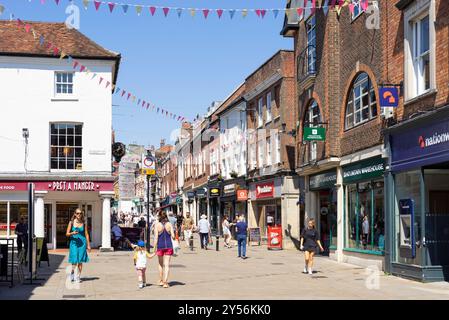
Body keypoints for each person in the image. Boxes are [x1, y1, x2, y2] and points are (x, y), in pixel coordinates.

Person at [66, 208, 91, 283]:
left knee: (80, 260)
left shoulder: (84, 223)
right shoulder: (71, 222)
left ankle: (78, 276)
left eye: (80, 213)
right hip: (74, 243)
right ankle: (72, 274)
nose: (79, 215)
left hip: (82, 243)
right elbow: (67, 234)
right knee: (74, 260)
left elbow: (86, 234)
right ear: (74, 214)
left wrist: (88, 245)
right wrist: (72, 233)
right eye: (77, 213)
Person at [153, 211, 175, 288]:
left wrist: (154, 248)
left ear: (159, 217)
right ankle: (165, 282)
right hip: (169, 246)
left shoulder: (157, 225)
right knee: (167, 265)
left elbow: (156, 238)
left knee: (160, 264)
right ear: (166, 217)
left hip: (160, 246)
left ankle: (161, 281)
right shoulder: (169, 224)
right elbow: (173, 236)